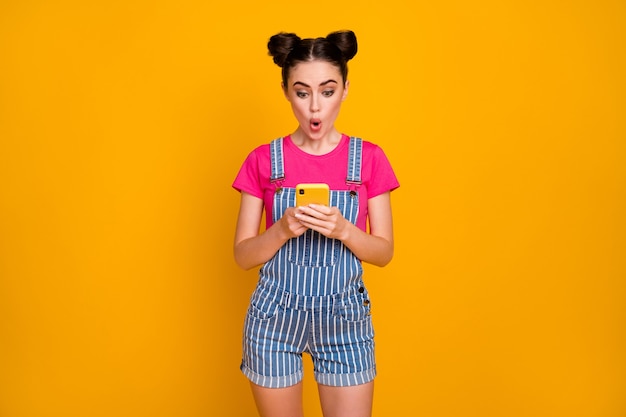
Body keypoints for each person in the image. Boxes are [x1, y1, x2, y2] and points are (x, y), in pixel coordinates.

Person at [232, 30, 399, 417]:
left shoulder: (370, 159)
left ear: (345, 89)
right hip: (274, 320)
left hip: (345, 323)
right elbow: (242, 256)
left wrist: (343, 229)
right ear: (286, 91)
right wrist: (281, 229)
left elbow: (384, 252)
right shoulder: (262, 160)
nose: (315, 109)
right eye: (302, 92)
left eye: (327, 91)